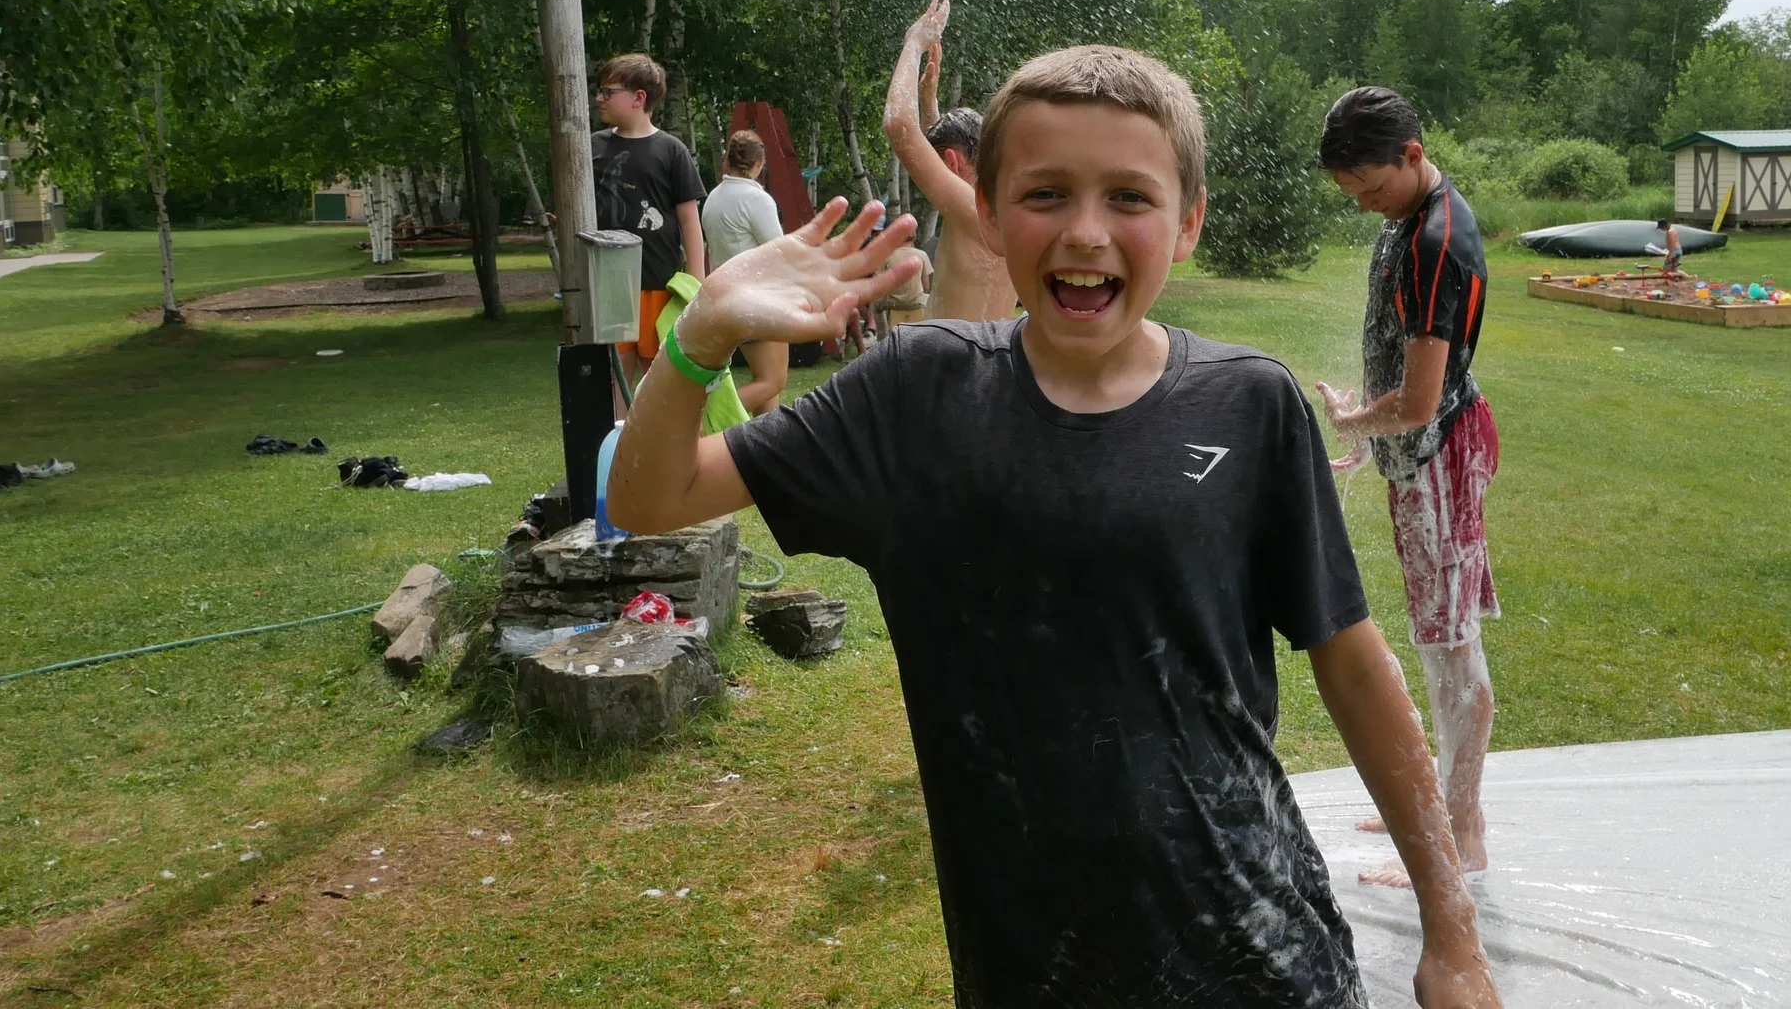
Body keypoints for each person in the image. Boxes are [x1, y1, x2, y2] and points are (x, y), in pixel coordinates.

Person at [610, 49, 1503, 1009]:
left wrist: (1450, 930)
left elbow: (1354, 662)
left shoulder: (1251, 403)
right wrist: (700, 335)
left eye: (1129, 196)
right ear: (987, 213)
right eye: (1046, 193)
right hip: (1034, 967)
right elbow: (650, 499)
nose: (1086, 231)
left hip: (1261, 948)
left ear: (1188, 220)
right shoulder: (916, 397)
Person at [1313, 85, 1500, 893]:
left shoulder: (1436, 243)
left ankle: (1461, 833)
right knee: (1437, 640)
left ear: (1412, 156)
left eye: (1371, 189)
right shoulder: (1405, 219)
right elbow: (1400, 363)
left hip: (1440, 456)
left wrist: (1358, 424)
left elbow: (1420, 400)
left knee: (1451, 650)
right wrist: (1371, 438)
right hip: (1418, 455)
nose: (1364, 207)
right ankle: (1439, 802)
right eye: (1350, 195)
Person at [883, 0, 1019, 321]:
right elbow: (945, 155)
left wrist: (914, 44)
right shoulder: (999, 204)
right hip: (984, 356)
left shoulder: (973, 209)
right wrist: (929, 101)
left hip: (955, 364)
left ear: (951, 162)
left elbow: (898, 125)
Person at [591, 53, 708, 387]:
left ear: (639, 97)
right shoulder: (592, 147)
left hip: (658, 282)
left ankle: (659, 440)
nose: (600, 98)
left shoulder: (671, 151)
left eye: (607, 91)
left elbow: (689, 220)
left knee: (657, 376)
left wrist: (697, 283)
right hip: (608, 285)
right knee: (616, 374)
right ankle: (618, 438)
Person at [702, 129, 788, 414]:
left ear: (727, 159)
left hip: (724, 300)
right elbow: (780, 253)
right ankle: (707, 422)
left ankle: (766, 451)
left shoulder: (713, 197)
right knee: (773, 380)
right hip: (757, 302)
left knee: (763, 380)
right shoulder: (756, 200)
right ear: (759, 163)